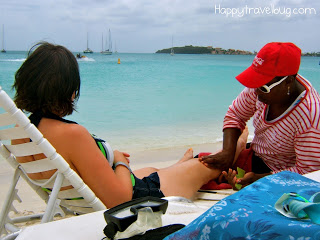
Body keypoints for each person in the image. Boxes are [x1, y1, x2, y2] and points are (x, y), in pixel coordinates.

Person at [12, 42, 224, 209]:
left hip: (94, 196)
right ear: (68, 89)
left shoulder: (22, 134)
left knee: (152, 169)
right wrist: (121, 161)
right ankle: (234, 151)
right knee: (207, 164)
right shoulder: (71, 134)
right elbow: (121, 201)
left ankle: (180, 166)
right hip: (139, 201)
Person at [200, 42, 320, 189]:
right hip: (254, 158)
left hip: (280, 175)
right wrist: (228, 152)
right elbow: (236, 114)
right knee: (202, 164)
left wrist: (261, 179)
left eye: (262, 86)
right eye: (254, 82)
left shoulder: (310, 117)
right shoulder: (264, 86)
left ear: (288, 81)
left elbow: (309, 172)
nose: (255, 91)